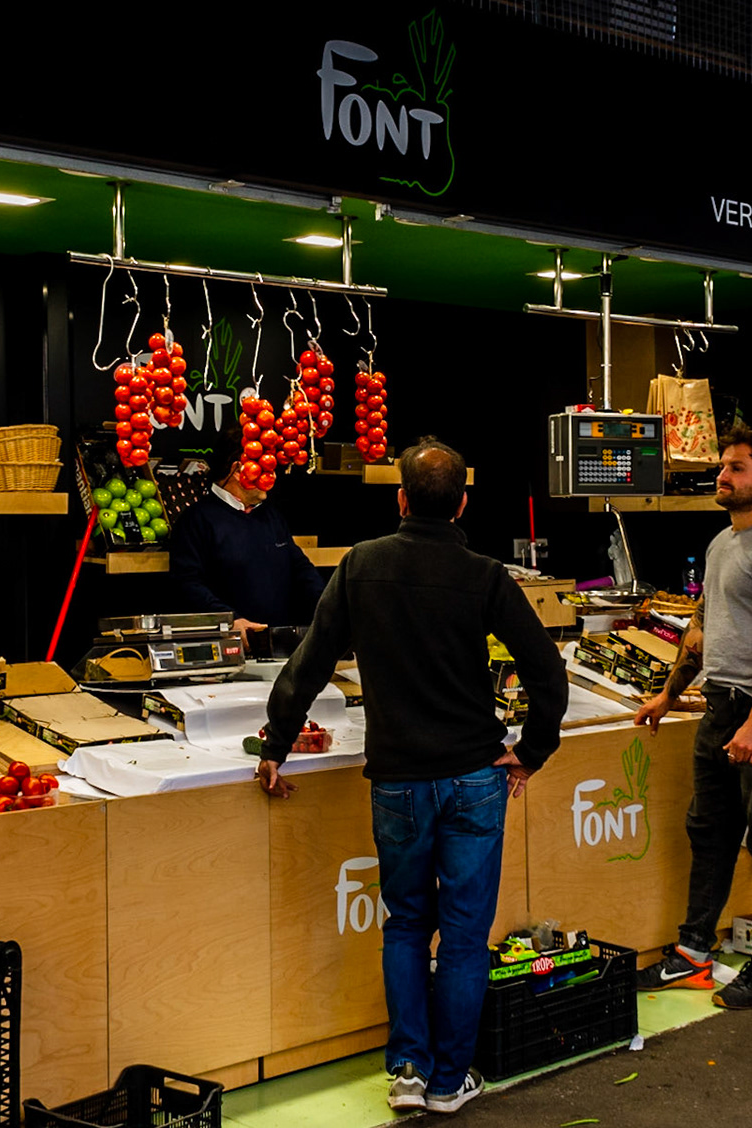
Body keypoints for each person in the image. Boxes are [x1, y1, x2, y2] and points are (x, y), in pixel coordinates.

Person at [258, 438, 568, 1115]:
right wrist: (532, 751)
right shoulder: (486, 576)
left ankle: (406, 1069)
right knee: (462, 935)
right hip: (475, 779)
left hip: (397, 782)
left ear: (399, 498)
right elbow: (547, 671)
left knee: (404, 924)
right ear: (462, 503)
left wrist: (275, 743)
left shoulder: (361, 565)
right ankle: (449, 1081)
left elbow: (307, 662)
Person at [632, 425, 752, 1010]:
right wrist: (668, 694)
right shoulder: (722, 544)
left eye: (735, 468)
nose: (722, 475)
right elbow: (699, 631)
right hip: (722, 704)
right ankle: (694, 954)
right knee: (709, 830)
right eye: (723, 466)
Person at [169, 455, 326, 642]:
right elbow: (187, 582)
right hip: (229, 646)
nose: (272, 477)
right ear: (237, 470)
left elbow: (299, 566)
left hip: (278, 646)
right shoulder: (197, 519)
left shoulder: (270, 515)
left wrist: (327, 605)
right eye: (265, 469)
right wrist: (230, 620)